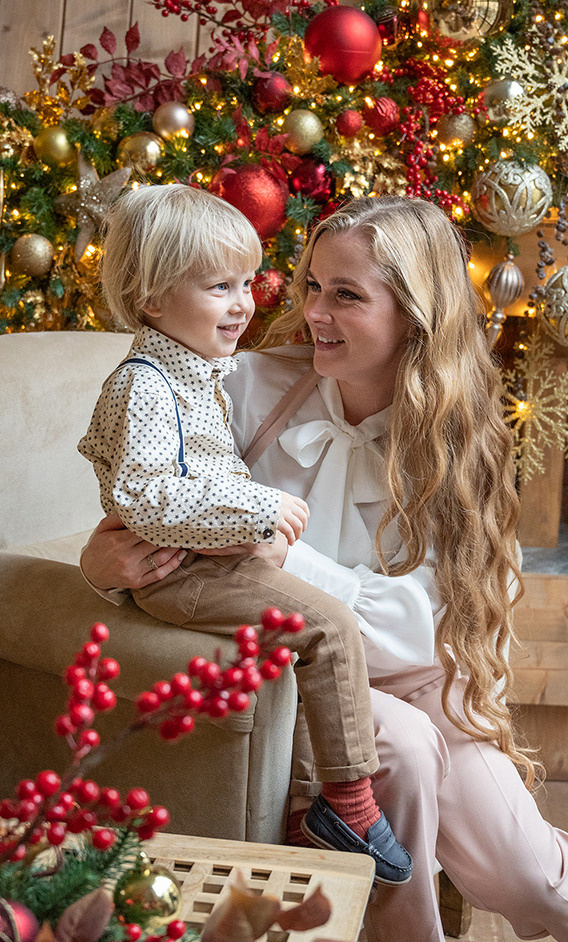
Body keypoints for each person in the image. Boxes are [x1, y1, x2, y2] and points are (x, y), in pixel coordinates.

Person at [81, 195, 568, 942]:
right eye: (312, 286)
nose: (311, 314)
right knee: (399, 751)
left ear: (417, 315)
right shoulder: (238, 386)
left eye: (345, 296)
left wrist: (283, 553)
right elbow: (146, 505)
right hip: (304, 685)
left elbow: (417, 632)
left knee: (529, 874)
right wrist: (103, 560)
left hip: (423, 681)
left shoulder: (460, 443)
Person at [77, 184, 412, 886]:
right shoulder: (145, 384)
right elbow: (148, 496)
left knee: (303, 644)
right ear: (151, 301)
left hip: (206, 565)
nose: (243, 304)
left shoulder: (196, 375)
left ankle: (304, 812)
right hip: (182, 575)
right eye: (218, 287)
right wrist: (256, 510)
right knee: (325, 625)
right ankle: (350, 805)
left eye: (245, 283)